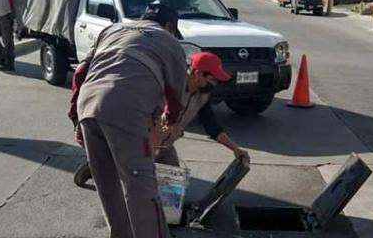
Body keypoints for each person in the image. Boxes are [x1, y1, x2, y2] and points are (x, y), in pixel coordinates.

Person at [76, 4, 194, 238]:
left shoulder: (113, 29)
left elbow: (81, 73)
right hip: (125, 109)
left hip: (88, 104)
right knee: (141, 183)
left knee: (106, 179)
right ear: (167, 25)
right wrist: (170, 121)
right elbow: (176, 94)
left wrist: (76, 118)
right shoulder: (169, 42)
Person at [73, 51, 250, 183]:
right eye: (211, 80)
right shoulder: (169, 84)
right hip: (142, 137)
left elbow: (213, 127)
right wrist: (156, 127)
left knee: (174, 181)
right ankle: (96, 165)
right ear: (197, 74)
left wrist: (235, 149)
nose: (214, 84)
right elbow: (141, 109)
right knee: (132, 177)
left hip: (164, 144)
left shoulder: (202, 96)